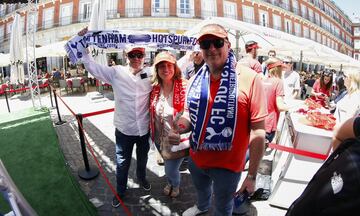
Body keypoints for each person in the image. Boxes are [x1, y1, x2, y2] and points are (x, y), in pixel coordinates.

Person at [169, 24, 267, 216]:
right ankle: (202, 206)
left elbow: (258, 131)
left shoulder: (250, 78)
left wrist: (252, 176)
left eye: (217, 42)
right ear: (201, 49)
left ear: (228, 45)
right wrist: (180, 127)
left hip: (228, 167)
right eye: (206, 44)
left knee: (223, 208)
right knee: (202, 191)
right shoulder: (196, 79)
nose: (212, 48)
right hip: (196, 157)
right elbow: (190, 114)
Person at [78, 28, 153, 208]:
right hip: (124, 130)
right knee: (122, 163)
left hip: (144, 129)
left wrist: (191, 57)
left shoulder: (151, 73)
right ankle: (120, 191)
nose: (136, 58)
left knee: (142, 159)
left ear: (144, 56)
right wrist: (83, 45)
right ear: (125, 55)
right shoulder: (116, 72)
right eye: (132, 55)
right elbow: (92, 67)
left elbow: (173, 68)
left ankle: (142, 178)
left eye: (139, 55)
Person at [149, 51, 188, 198]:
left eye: (169, 65)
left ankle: (175, 184)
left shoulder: (185, 85)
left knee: (170, 169)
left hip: (177, 139)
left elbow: (191, 112)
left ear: (175, 67)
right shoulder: (154, 88)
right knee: (167, 164)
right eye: (161, 66)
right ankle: (171, 182)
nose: (166, 69)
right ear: (157, 70)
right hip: (160, 138)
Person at [263, 58, 288, 144]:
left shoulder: (262, 80)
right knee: (256, 153)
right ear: (277, 69)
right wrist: (291, 108)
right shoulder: (278, 82)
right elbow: (280, 106)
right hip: (269, 124)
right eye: (281, 68)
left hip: (257, 122)